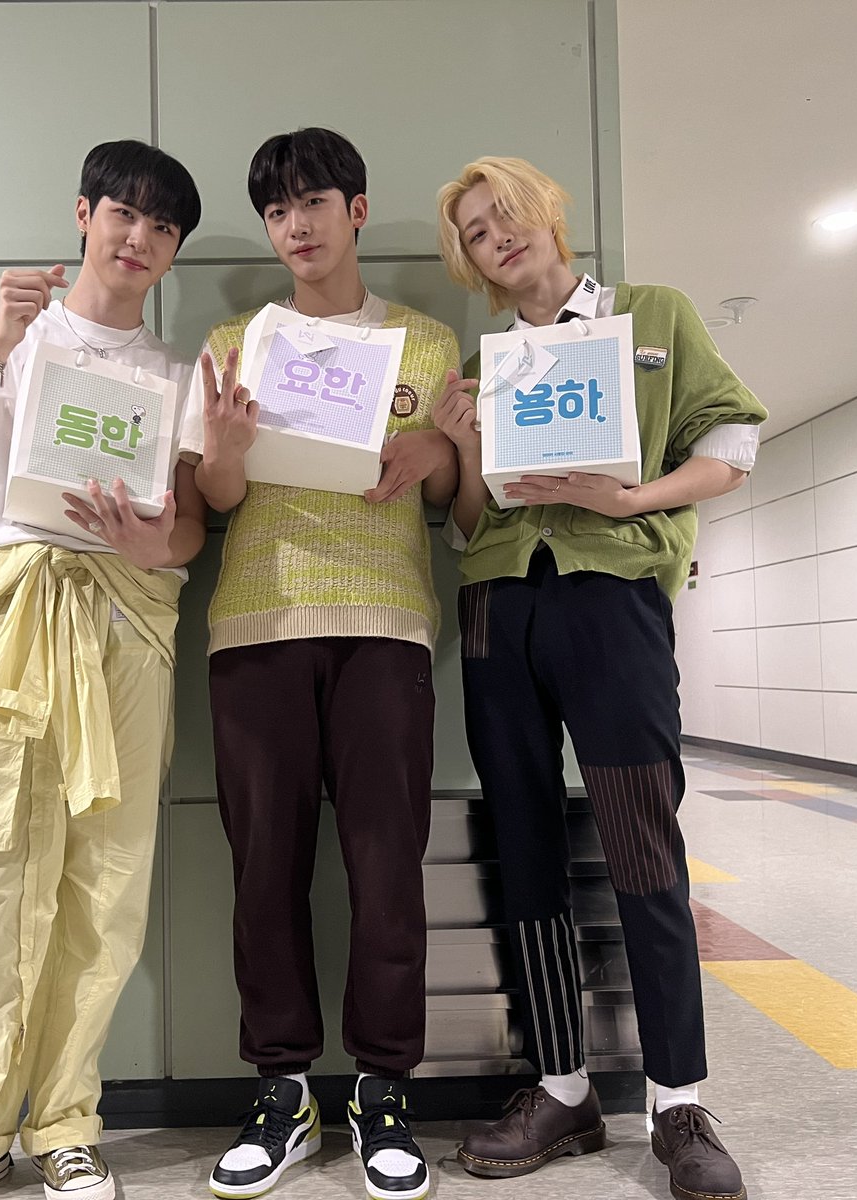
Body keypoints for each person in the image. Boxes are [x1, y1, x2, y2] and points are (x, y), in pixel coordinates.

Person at [0, 140, 206, 1200]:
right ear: (84, 214)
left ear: (174, 250)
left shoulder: (175, 374)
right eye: (124, 213)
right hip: (7, 615)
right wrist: (0, 342)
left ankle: (66, 1125)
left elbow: (192, 525)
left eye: (163, 226)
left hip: (128, 623)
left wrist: (154, 542)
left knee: (105, 884)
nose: (139, 237)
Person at [432, 156, 765, 1200]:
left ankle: (677, 1101)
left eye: (506, 214)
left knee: (641, 839)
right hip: (498, 606)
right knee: (525, 839)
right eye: (476, 232)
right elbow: (474, 523)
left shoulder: (649, 317)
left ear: (547, 214)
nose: (498, 236)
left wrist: (632, 501)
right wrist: (463, 448)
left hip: (613, 598)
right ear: (472, 263)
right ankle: (563, 1087)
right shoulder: (488, 368)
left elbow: (733, 442)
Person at [178, 127, 458, 1200]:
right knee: (264, 870)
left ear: (356, 209)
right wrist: (225, 451)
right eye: (276, 210)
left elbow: (452, 498)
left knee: (388, 870)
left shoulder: (426, 342)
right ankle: (282, 1090)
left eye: (313, 202)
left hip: (386, 625)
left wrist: (441, 451)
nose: (295, 225)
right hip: (257, 625)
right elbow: (217, 498)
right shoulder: (234, 342)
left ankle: (384, 1093)